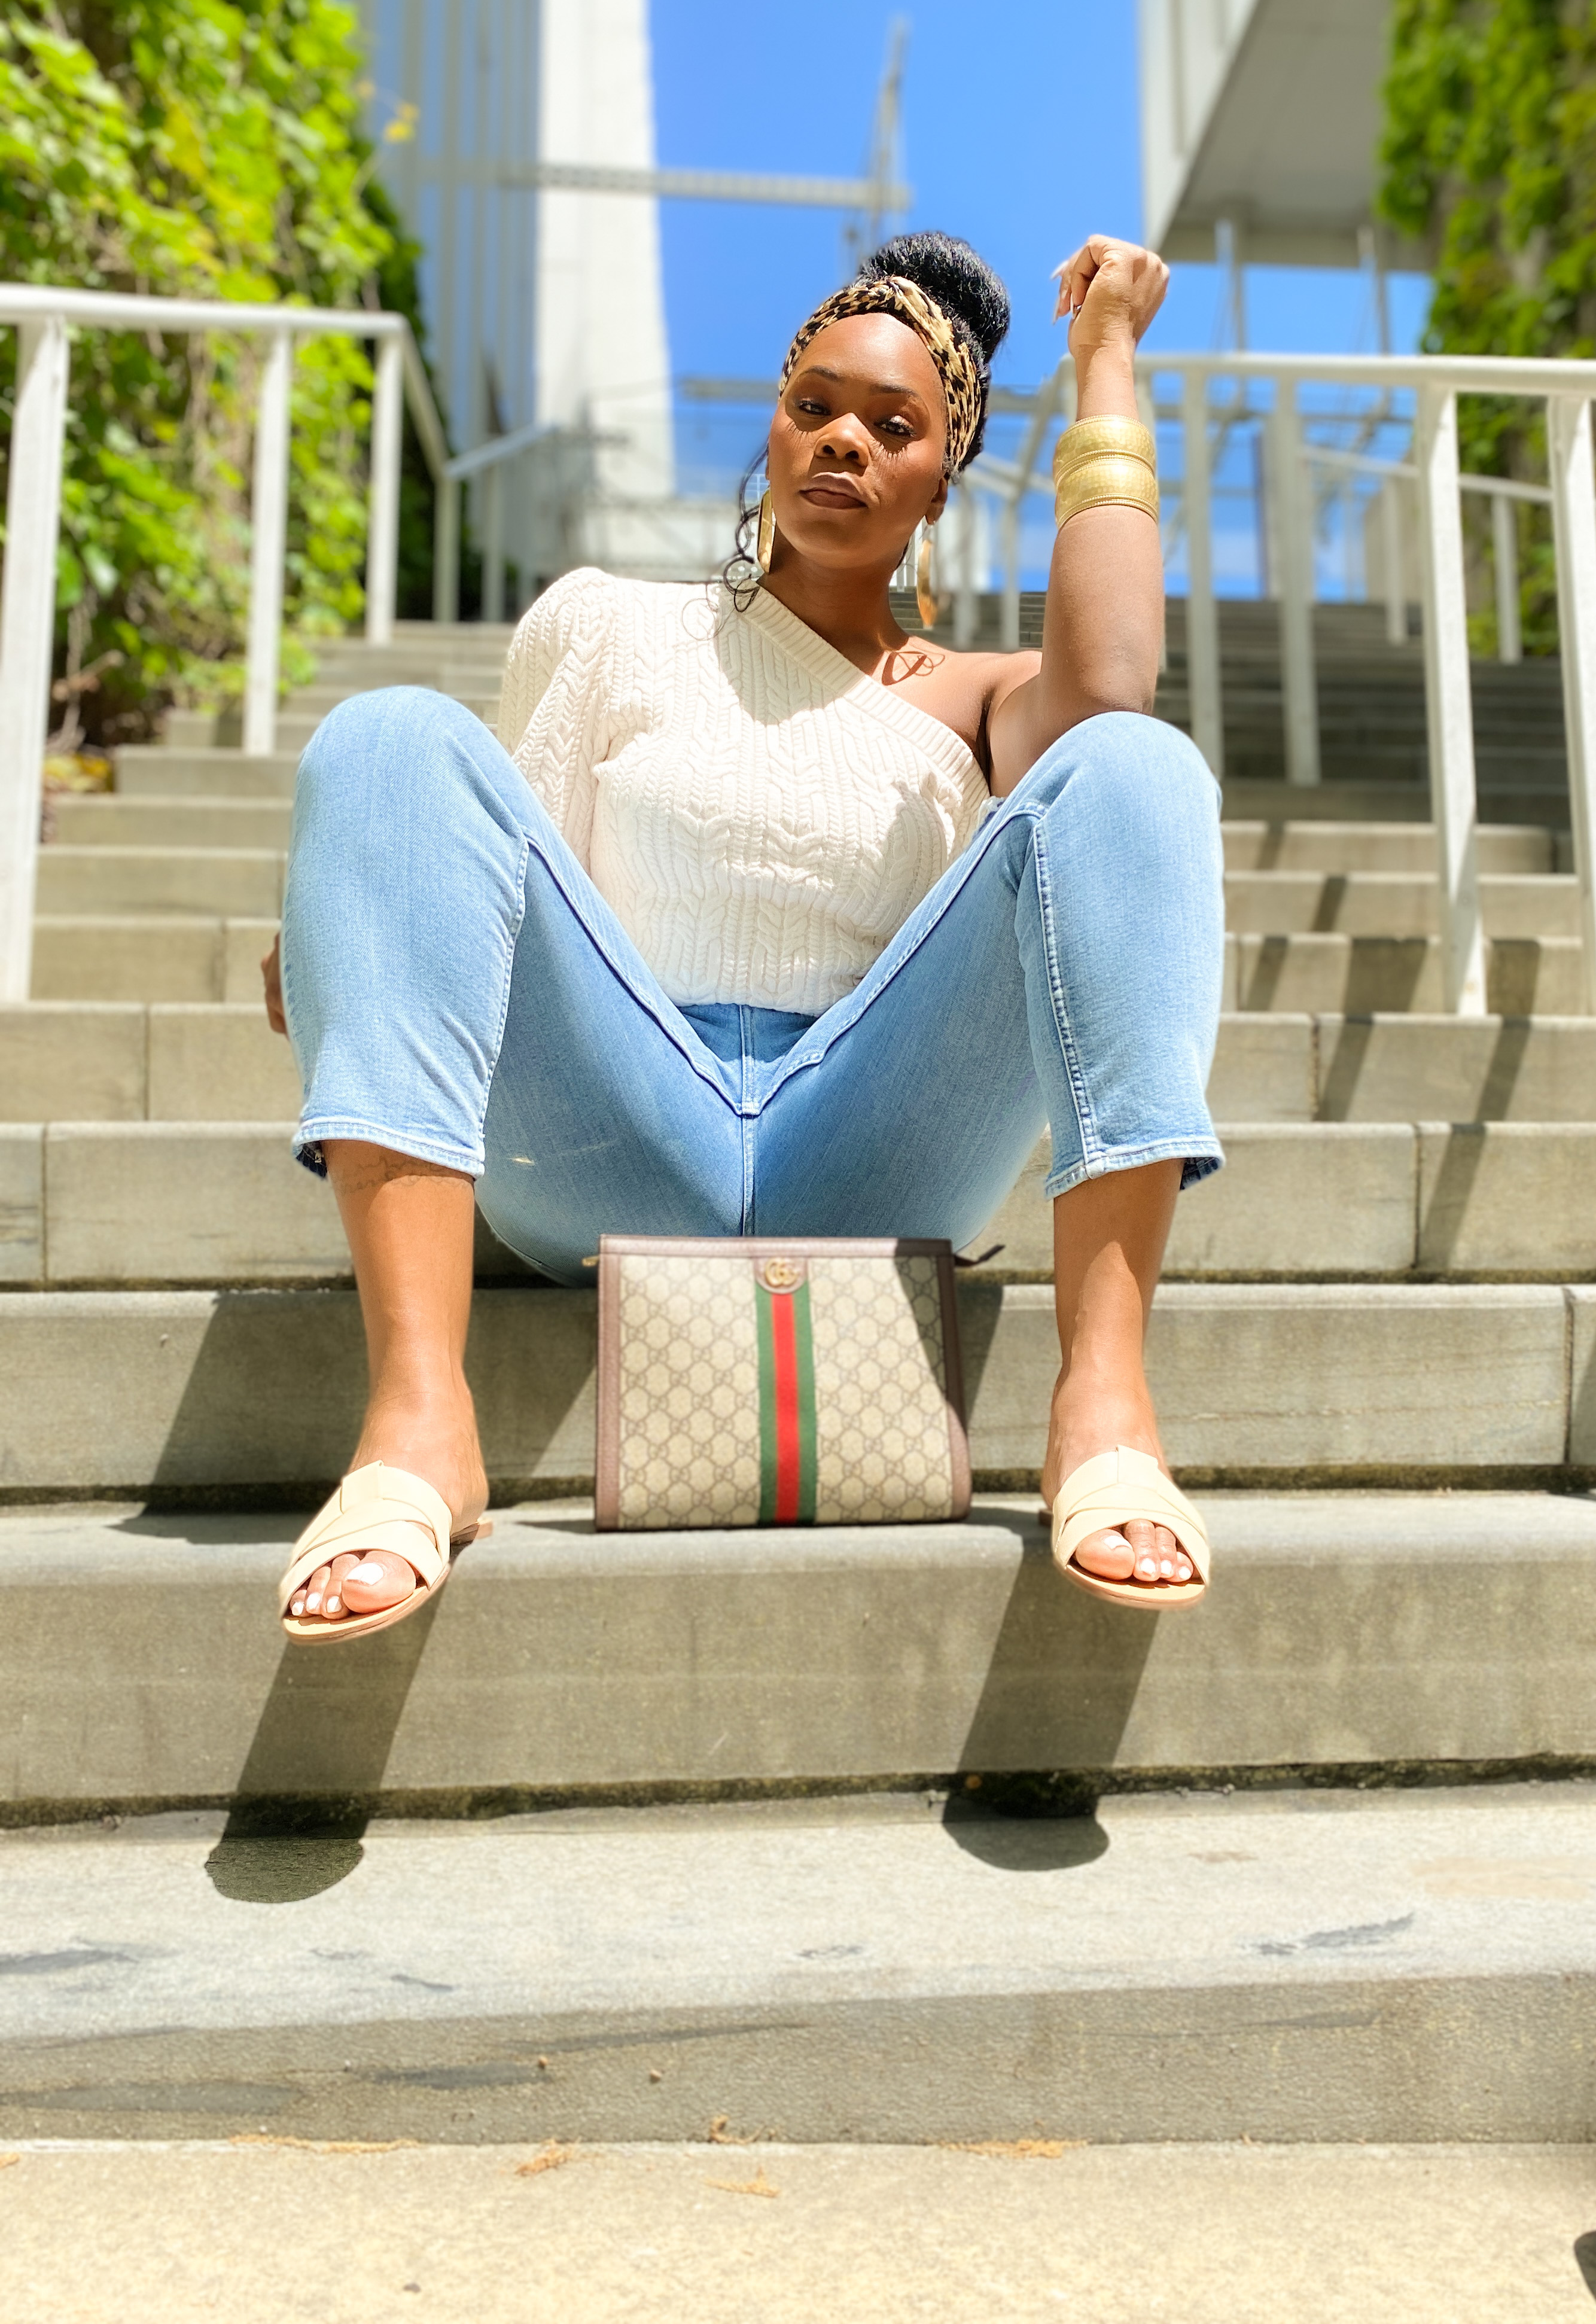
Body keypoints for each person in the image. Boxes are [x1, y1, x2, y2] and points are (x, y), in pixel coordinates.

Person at [263, 229, 1223, 1642]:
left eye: (895, 427)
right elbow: (492, 877)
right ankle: (419, 1426)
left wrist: (1108, 364)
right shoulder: (605, 626)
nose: (843, 441)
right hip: (616, 1125)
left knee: (1135, 763)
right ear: (772, 425)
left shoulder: (973, 694)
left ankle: (1106, 1408)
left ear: (940, 481)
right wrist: (366, 913)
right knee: (392, 738)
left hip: (876, 1132)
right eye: (816, 404)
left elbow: (1111, 684)